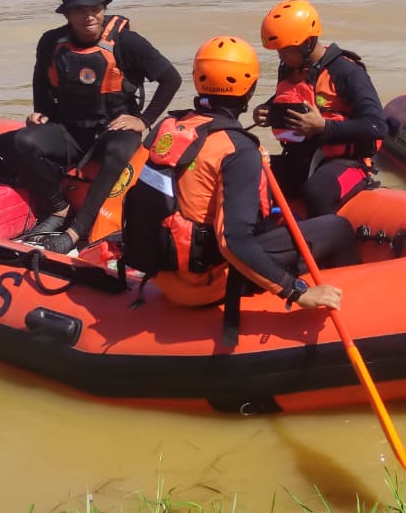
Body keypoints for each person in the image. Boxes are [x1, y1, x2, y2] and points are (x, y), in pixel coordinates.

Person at [123, 36, 353, 310]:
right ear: (251, 87)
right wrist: (297, 292)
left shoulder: (171, 127)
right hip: (205, 283)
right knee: (336, 227)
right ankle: (356, 300)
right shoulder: (237, 149)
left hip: (164, 274)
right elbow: (233, 241)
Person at [17, 0, 181, 255]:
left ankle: (74, 231)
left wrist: (144, 120)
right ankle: (59, 207)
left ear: (104, 10)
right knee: (24, 141)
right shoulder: (50, 42)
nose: (89, 16)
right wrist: (41, 112)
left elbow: (171, 78)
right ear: (67, 14)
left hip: (113, 129)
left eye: (95, 8)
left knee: (119, 150)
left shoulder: (128, 42)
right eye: (79, 10)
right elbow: (40, 81)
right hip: (68, 129)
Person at [252, 0, 387, 216]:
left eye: (285, 50)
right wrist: (267, 110)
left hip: (346, 163)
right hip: (300, 158)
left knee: (316, 191)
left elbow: (377, 125)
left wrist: (323, 126)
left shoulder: (347, 72)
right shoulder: (290, 67)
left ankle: (324, 244)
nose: (280, 56)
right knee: (250, 175)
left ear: (307, 43)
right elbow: (292, 96)